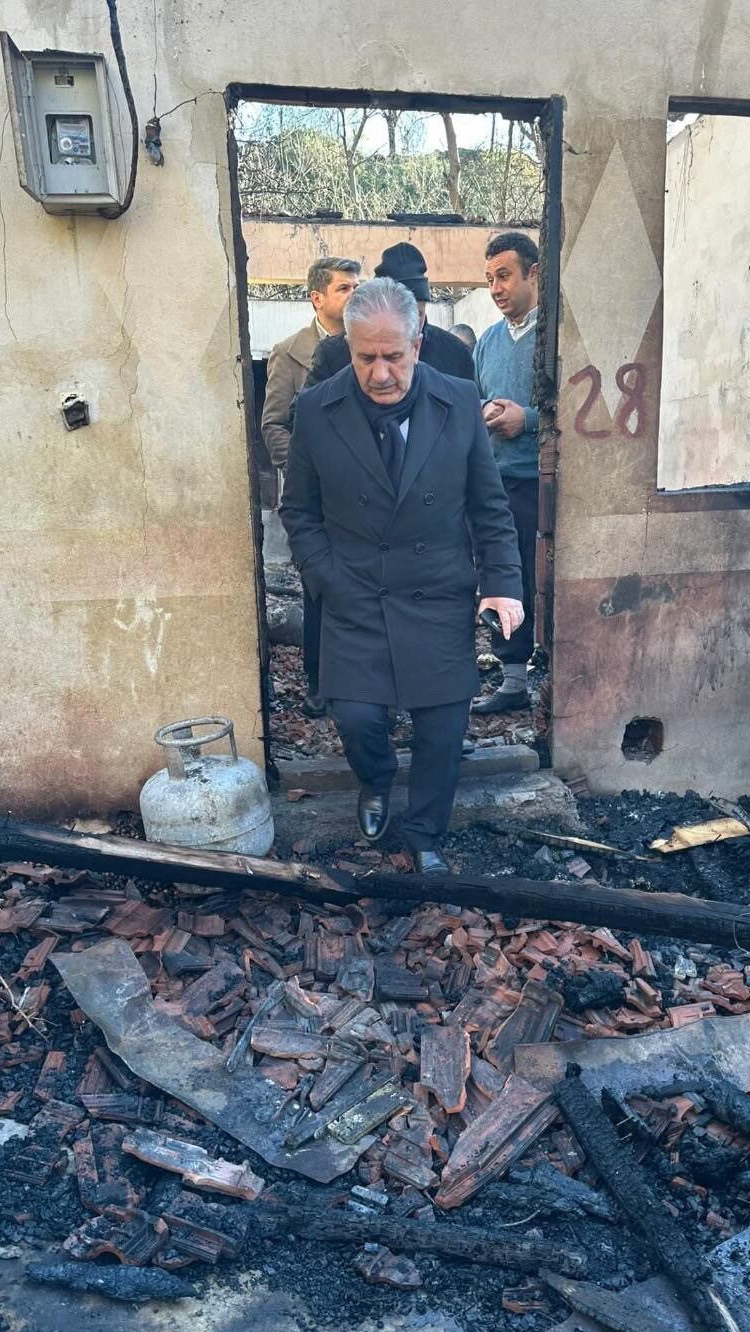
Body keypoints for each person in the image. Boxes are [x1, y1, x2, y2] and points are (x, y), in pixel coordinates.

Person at [281, 279, 522, 875]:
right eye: (366, 357)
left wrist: (502, 583)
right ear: (348, 345)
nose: (381, 373)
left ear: (417, 343)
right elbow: (299, 510)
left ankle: (424, 831)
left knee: (443, 726)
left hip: (436, 590)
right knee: (357, 717)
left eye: (393, 356)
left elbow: (488, 506)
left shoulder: (458, 400)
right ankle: (376, 779)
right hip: (354, 591)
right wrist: (324, 577)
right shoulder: (316, 409)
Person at [261, 256, 361, 717]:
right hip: (315, 498)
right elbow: (273, 425)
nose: (354, 295)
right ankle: (320, 683)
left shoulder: (370, 340)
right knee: (319, 588)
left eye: (357, 286)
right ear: (317, 298)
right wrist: (308, 469)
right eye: (344, 288)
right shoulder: (289, 352)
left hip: (366, 495)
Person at [470, 231, 541, 715]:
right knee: (502, 575)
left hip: (544, 482)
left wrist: (527, 420)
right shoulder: (488, 342)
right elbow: (471, 397)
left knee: (542, 578)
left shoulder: (556, 337)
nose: (496, 288)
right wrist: (483, 410)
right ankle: (513, 679)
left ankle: (556, 671)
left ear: (533, 273)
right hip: (497, 484)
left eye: (504, 276)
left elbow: (578, 405)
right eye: (490, 279)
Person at [303, 243, 475, 388]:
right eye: (367, 358)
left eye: (417, 314)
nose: (381, 375)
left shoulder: (455, 353)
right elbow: (307, 412)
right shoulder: (332, 354)